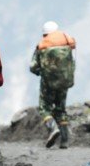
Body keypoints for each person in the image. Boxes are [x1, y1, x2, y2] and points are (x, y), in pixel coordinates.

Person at [30, 21, 76, 149]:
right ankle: (65, 141)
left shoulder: (42, 45)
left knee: (44, 108)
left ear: (45, 33)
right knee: (60, 109)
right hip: (64, 81)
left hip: (48, 82)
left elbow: (33, 66)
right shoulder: (66, 43)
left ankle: (53, 128)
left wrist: (41, 72)